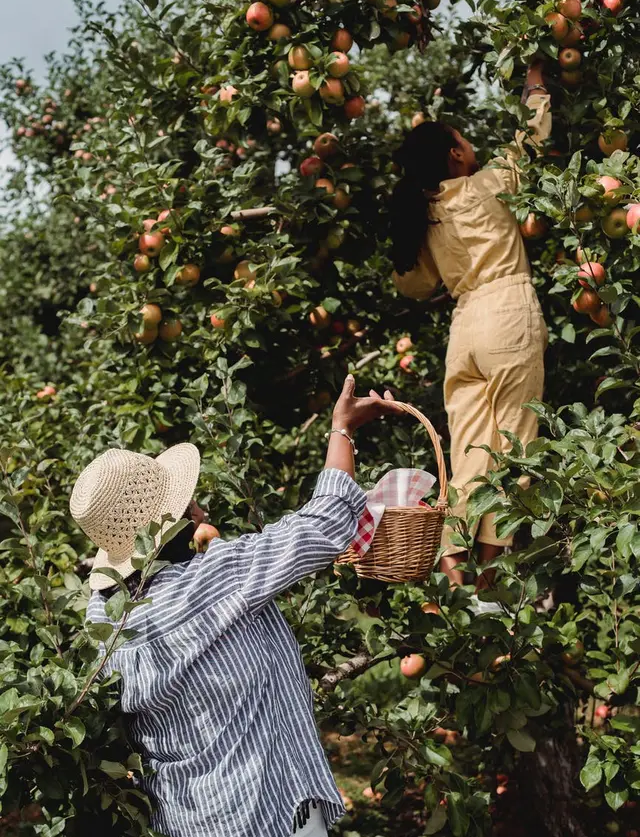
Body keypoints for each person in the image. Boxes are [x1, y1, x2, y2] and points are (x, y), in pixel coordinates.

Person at [70, 375, 400, 837]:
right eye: (188, 505)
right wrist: (341, 428)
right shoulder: (217, 577)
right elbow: (325, 522)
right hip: (268, 811)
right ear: (176, 523)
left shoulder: (102, 618)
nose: (200, 509)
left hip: (187, 818)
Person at [389, 61, 551, 590]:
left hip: (465, 329)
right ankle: (489, 587)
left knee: (469, 455)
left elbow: (413, 284)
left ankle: (454, 577)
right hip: (507, 313)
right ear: (456, 154)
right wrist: (534, 82)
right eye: (462, 138)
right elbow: (532, 136)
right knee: (515, 444)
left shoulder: (427, 211)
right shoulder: (488, 184)